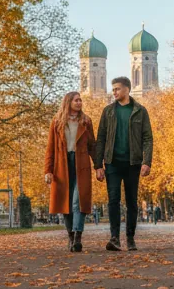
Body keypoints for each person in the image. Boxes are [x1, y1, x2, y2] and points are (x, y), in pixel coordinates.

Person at [95, 76, 154, 251]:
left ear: (127, 90)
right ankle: (114, 238)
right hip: (112, 162)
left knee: (131, 202)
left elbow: (147, 138)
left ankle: (130, 237)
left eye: (117, 89)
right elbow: (101, 139)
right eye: (113, 89)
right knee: (113, 200)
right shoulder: (108, 111)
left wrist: (146, 161)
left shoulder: (140, 111)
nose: (114, 92)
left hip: (133, 162)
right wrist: (98, 165)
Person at [44, 91, 100, 252]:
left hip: (81, 164)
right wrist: (48, 170)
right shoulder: (56, 122)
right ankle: (70, 236)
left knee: (78, 201)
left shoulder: (86, 121)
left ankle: (77, 237)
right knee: (65, 203)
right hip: (62, 165)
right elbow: (50, 149)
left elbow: (93, 146)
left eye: (80, 100)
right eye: (76, 100)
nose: (79, 102)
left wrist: (98, 166)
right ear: (68, 102)